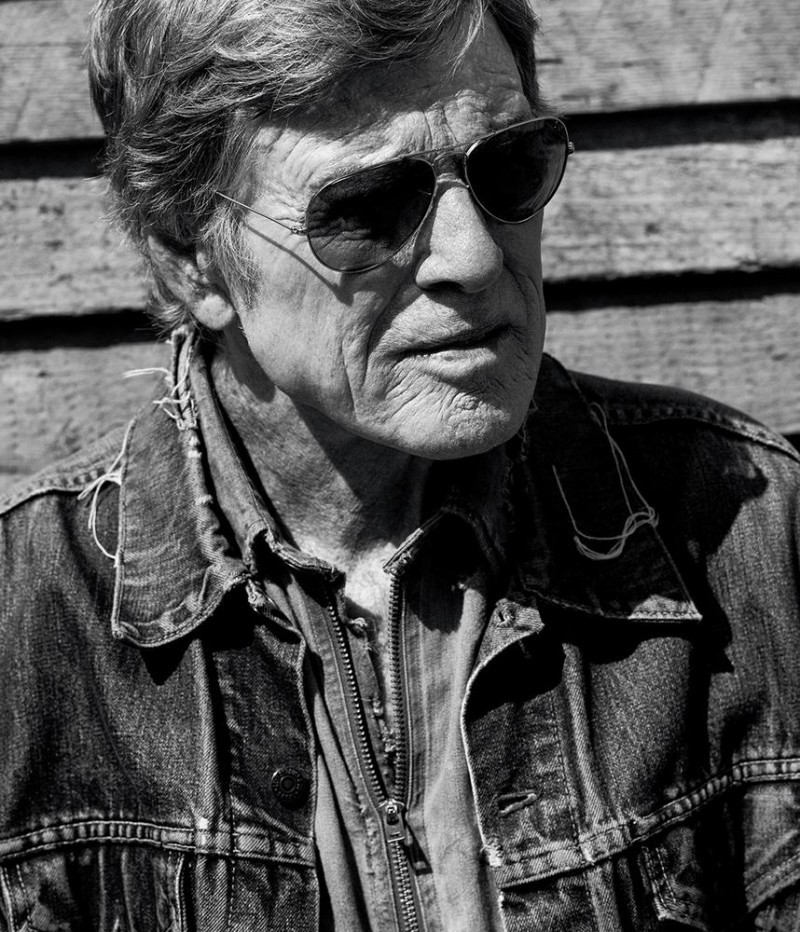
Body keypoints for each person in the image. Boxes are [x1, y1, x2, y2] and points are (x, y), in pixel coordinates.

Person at [1, 0, 799, 928]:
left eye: (508, 166)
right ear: (192, 259)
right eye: (367, 208)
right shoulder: (28, 618)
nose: (474, 255)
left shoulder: (749, 532)